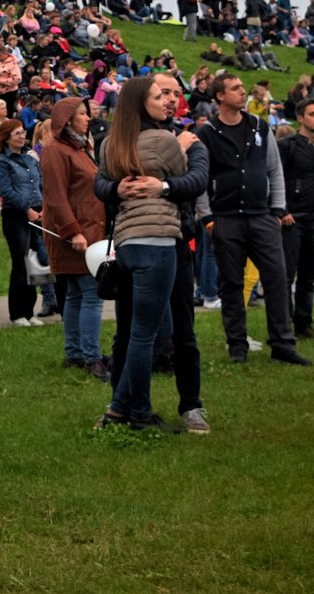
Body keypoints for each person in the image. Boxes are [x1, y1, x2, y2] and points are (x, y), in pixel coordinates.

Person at [97, 72, 212, 434]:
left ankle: (188, 405)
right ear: (143, 100)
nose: (171, 99)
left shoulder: (185, 139)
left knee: (180, 330)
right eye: (163, 93)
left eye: (176, 94)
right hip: (157, 239)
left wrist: (161, 183)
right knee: (135, 330)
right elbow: (100, 183)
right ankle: (129, 406)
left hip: (167, 240)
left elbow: (196, 181)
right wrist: (118, 187)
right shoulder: (151, 141)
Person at [195, 73, 312, 366]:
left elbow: (274, 169)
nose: (242, 92)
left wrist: (277, 209)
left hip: (261, 217)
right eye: (235, 89)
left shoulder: (259, 126)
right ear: (220, 96)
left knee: (277, 278)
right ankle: (237, 345)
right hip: (226, 219)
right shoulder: (207, 134)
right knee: (232, 284)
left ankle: (282, 344)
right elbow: (200, 178)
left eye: (241, 88)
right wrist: (208, 217)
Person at [39, 98, 109, 380]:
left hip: (89, 233)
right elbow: (55, 198)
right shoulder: (56, 151)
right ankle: (91, 357)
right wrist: (73, 231)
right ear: (66, 120)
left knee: (78, 295)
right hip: (76, 235)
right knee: (90, 295)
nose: (88, 118)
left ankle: (76, 353)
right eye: (81, 114)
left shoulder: (80, 148)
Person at [277, 98, 314, 339]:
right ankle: (284, 324)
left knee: (309, 274)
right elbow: (276, 177)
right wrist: (282, 210)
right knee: (287, 274)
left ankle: (304, 321)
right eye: (312, 114)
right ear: (300, 118)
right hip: (293, 219)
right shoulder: (287, 145)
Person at [0, 119, 44, 326]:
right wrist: (27, 209)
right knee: (20, 263)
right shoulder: (1, 162)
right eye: (17, 134)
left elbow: (42, 184)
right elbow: (6, 191)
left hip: (38, 213)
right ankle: (18, 313)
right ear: (6, 138)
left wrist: (44, 207)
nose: (22, 136)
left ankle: (30, 312)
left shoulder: (31, 159)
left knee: (34, 262)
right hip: (16, 216)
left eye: (23, 132)